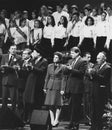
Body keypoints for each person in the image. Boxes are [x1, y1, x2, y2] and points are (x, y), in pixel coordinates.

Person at [64, 47, 87, 130]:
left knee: (76, 107)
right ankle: (71, 123)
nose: (71, 54)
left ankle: (76, 124)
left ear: (77, 53)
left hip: (77, 87)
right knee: (71, 106)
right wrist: (66, 68)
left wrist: (71, 69)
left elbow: (82, 73)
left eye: (73, 53)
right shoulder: (71, 61)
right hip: (71, 86)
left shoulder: (83, 61)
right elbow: (66, 73)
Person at [23, 49, 48, 123]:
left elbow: (42, 71)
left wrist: (32, 68)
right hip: (30, 82)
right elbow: (29, 70)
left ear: (39, 53)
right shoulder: (32, 60)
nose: (33, 54)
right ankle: (26, 118)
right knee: (28, 100)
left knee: (36, 101)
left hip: (37, 83)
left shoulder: (44, 61)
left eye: (34, 52)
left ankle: (34, 119)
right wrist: (27, 67)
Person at [89, 52, 111, 130]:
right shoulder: (97, 66)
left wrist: (94, 73)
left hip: (100, 93)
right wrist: (90, 74)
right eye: (97, 58)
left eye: (98, 58)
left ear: (104, 58)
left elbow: (104, 80)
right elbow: (93, 78)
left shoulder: (107, 68)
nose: (97, 60)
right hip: (94, 91)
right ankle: (93, 127)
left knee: (99, 111)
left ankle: (98, 127)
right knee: (93, 110)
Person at [43, 51, 65, 127]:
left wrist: (62, 89)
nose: (54, 58)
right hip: (50, 86)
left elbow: (63, 79)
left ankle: (56, 119)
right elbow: (47, 77)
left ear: (60, 59)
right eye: (54, 57)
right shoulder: (49, 66)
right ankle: (52, 120)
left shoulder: (62, 67)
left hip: (58, 86)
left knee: (58, 104)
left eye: (56, 57)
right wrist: (45, 87)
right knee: (50, 104)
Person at [1, 45, 21, 111]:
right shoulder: (4, 56)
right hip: (5, 79)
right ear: (9, 50)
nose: (13, 50)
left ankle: (13, 113)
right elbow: (1, 66)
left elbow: (17, 68)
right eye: (12, 49)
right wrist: (3, 68)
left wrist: (9, 67)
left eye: (15, 49)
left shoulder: (18, 57)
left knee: (13, 99)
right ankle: (4, 113)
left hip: (13, 80)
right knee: (4, 98)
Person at [83, 52, 94, 125]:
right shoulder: (81, 64)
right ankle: (85, 118)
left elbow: (91, 75)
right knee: (84, 104)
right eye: (87, 57)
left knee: (88, 103)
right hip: (80, 86)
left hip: (88, 87)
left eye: (90, 57)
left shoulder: (91, 65)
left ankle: (90, 119)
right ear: (84, 57)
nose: (89, 59)